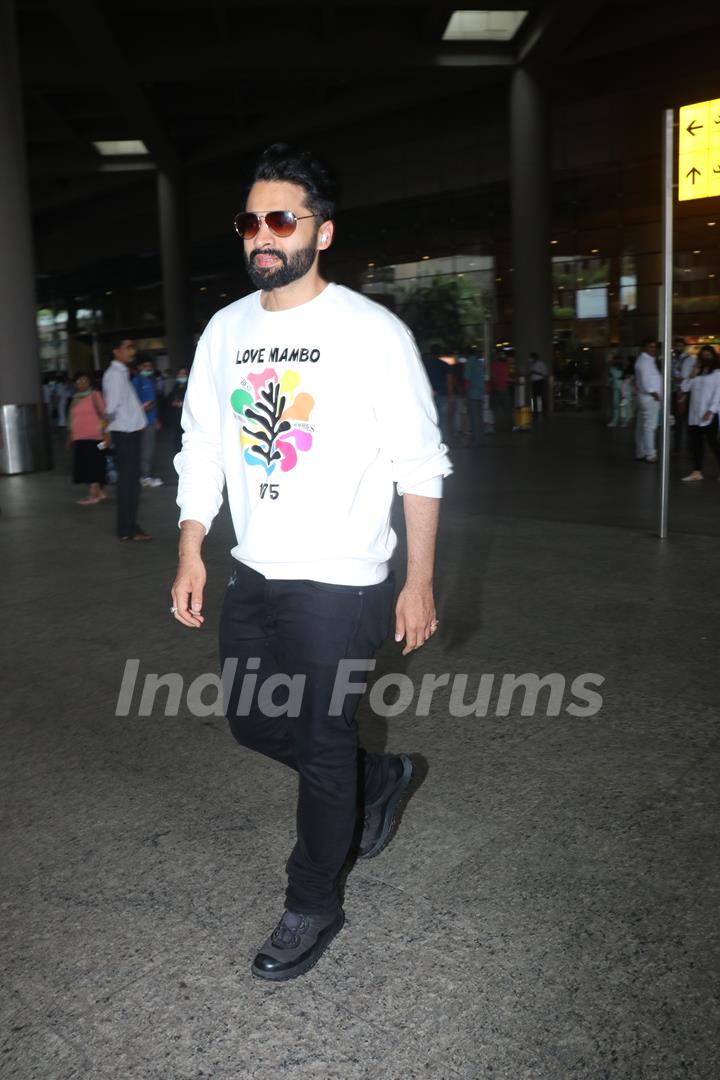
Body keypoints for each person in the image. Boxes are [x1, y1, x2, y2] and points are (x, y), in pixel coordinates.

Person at [171, 143, 451, 983]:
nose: (262, 234)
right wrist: (192, 546)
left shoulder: (369, 331)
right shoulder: (227, 330)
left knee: (323, 742)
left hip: (342, 580)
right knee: (254, 723)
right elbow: (203, 445)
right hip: (255, 571)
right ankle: (381, 776)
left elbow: (421, 462)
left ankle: (312, 904)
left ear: (321, 233)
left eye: (280, 219)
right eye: (250, 220)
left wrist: (421, 579)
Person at [102, 338, 151, 541]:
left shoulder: (121, 373)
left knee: (130, 482)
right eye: (128, 347)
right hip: (125, 433)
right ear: (116, 351)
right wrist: (106, 429)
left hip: (128, 430)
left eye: (134, 347)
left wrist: (137, 411)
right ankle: (127, 529)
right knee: (128, 483)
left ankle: (130, 526)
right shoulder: (115, 375)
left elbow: (119, 407)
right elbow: (111, 408)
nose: (133, 351)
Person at [66, 371, 108, 505]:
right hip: (79, 438)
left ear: (90, 382)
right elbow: (72, 419)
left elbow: (105, 415)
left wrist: (107, 434)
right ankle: (100, 492)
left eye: (84, 381)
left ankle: (93, 494)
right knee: (85, 466)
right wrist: (70, 436)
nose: (81, 384)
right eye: (78, 381)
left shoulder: (95, 395)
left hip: (96, 438)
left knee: (94, 465)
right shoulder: (75, 398)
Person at [680, 345, 720, 482]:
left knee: (714, 443)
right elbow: (684, 388)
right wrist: (692, 375)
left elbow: (718, 394)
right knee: (696, 444)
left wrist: (711, 411)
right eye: (703, 354)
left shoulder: (717, 373)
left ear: (713, 357)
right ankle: (697, 472)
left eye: (708, 355)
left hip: (709, 415)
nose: (705, 357)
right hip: (694, 415)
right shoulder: (697, 372)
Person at [132, 353, 164, 487]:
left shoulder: (151, 381)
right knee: (145, 450)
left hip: (150, 421)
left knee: (149, 449)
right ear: (139, 367)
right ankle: (145, 477)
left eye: (150, 366)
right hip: (142, 423)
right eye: (145, 366)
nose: (148, 368)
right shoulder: (137, 381)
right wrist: (141, 411)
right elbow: (132, 402)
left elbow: (152, 403)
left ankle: (146, 475)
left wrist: (155, 418)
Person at [634, 338, 661, 463]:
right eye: (650, 347)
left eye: (655, 347)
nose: (653, 349)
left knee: (642, 426)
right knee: (650, 426)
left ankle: (641, 452)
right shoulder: (645, 362)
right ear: (644, 348)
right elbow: (645, 381)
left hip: (645, 397)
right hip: (650, 398)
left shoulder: (646, 360)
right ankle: (650, 454)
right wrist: (654, 394)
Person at [463, 350, 486, 447]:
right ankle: (480, 440)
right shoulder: (480, 363)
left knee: (474, 419)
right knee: (479, 418)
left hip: (472, 393)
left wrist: (466, 395)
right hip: (480, 394)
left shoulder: (469, 363)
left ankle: (476, 442)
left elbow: (467, 380)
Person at [167, 367, 189, 454]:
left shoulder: (191, 385)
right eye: (180, 374)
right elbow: (169, 400)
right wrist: (173, 402)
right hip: (176, 416)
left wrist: (184, 403)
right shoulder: (174, 386)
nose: (182, 376)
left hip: (187, 417)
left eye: (184, 374)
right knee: (177, 436)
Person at [490, 351, 512, 429]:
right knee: (507, 407)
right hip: (505, 388)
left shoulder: (494, 365)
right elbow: (507, 377)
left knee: (495, 408)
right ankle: (508, 425)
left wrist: (495, 385)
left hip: (496, 389)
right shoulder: (506, 366)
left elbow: (493, 377)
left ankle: (494, 425)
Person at [528, 352, 548, 418]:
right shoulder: (531, 365)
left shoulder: (541, 363)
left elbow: (545, 373)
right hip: (534, 382)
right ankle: (535, 412)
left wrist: (535, 372)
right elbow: (531, 373)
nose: (530, 359)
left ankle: (545, 412)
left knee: (542, 397)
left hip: (540, 382)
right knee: (534, 397)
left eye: (531, 358)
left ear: (534, 358)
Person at [607, 354, 624, 427]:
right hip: (620, 388)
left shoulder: (613, 368)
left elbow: (610, 378)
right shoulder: (613, 368)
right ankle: (619, 421)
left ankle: (617, 421)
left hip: (620, 388)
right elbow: (610, 378)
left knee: (618, 405)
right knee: (618, 405)